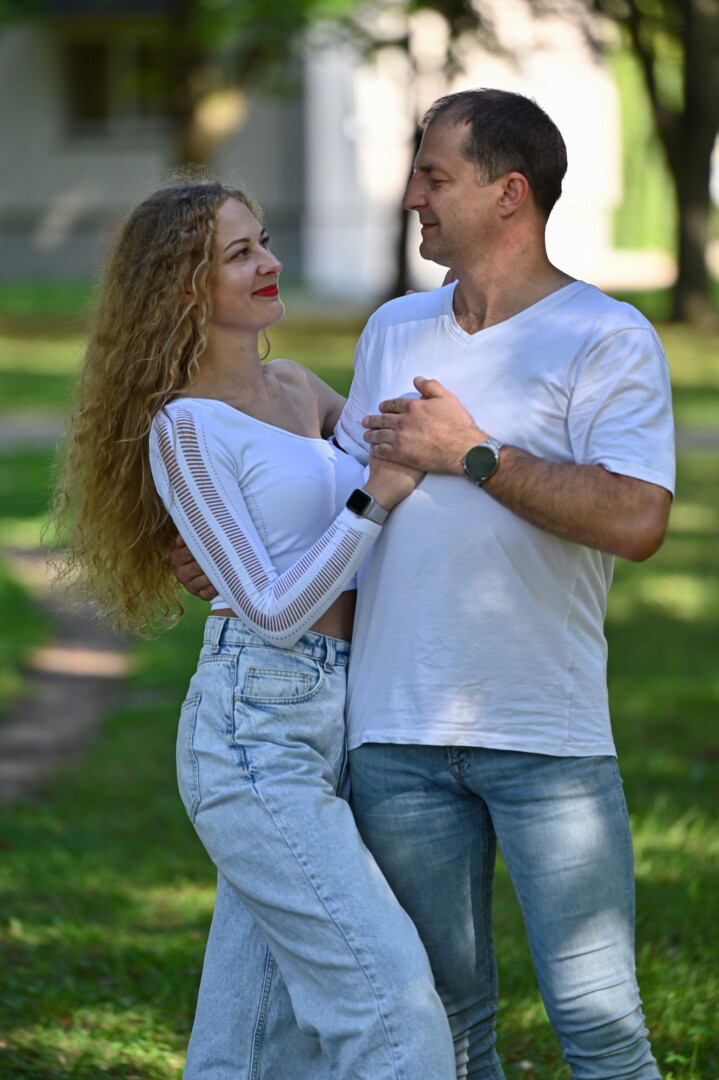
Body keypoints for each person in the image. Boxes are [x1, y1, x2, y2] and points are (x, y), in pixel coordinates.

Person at [174, 90, 674, 1080]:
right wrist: (239, 563)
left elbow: (635, 520)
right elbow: (347, 487)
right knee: (447, 1027)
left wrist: (473, 454)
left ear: (507, 193)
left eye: (433, 177)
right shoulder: (394, 330)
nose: (410, 196)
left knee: (600, 1024)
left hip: (545, 734)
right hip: (392, 736)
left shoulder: (605, 335)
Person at [53, 179, 456, 1080]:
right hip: (255, 729)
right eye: (239, 254)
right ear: (180, 286)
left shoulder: (297, 387)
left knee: (250, 1040)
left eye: (263, 240)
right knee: (391, 1007)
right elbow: (272, 611)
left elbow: (407, 465)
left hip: (346, 713)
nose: (270, 262)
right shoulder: (185, 428)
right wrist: (374, 495)